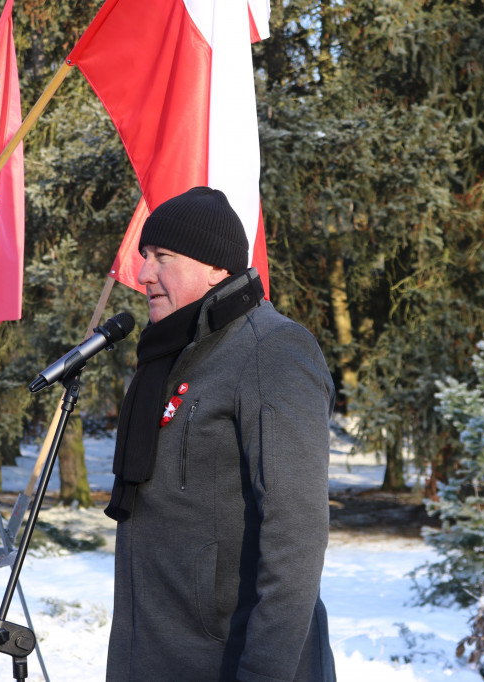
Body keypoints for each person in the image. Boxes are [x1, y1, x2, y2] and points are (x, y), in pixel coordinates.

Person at [105, 186, 337, 681]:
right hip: (159, 654)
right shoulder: (171, 356)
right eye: (145, 256)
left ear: (215, 267)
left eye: (162, 257)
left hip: (230, 663)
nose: (144, 274)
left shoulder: (273, 352)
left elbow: (295, 539)